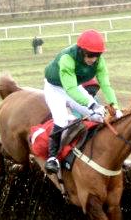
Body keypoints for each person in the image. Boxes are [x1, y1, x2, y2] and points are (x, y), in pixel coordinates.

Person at [43, 29, 122, 174]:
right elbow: (70, 89)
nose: (93, 59)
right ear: (81, 51)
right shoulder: (67, 58)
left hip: (74, 86)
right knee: (61, 120)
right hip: (55, 88)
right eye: (90, 55)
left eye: (97, 55)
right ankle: (52, 157)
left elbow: (105, 85)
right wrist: (92, 104)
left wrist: (115, 106)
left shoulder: (99, 61)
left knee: (99, 116)